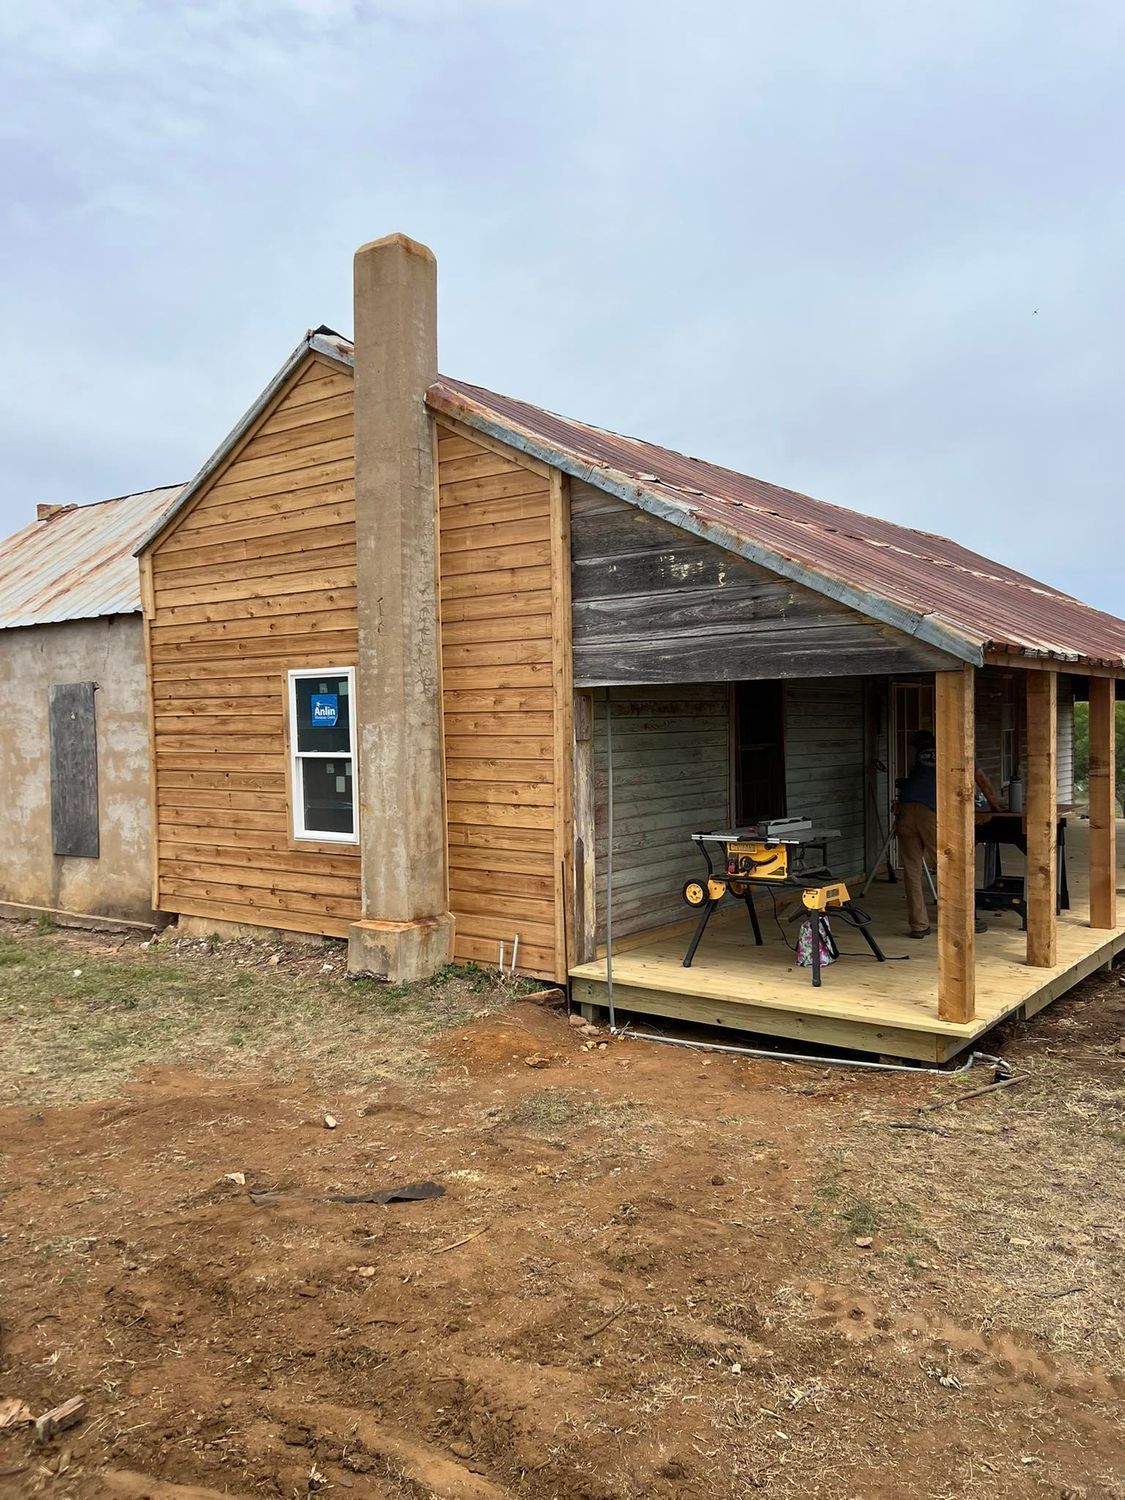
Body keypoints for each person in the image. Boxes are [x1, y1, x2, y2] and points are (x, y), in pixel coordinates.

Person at [895, 730, 1001, 938]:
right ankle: (960, 921)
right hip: (930, 811)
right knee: (947, 864)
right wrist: (996, 807)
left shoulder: (923, 752)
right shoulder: (959, 750)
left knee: (912, 870)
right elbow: (981, 779)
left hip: (905, 809)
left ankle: (919, 925)